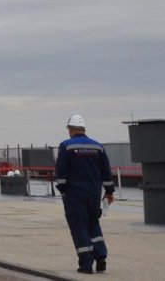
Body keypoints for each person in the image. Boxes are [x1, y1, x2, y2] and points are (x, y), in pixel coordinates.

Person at [56, 115, 115, 274]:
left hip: (74, 194)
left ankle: (86, 263)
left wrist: (62, 189)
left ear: (71, 129)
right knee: (93, 222)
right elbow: (106, 172)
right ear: (83, 129)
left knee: (79, 225)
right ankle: (100, 256)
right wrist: (109, 192)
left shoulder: (66, 146)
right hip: (94, 193)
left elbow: (61, 172)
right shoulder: (98, 147)